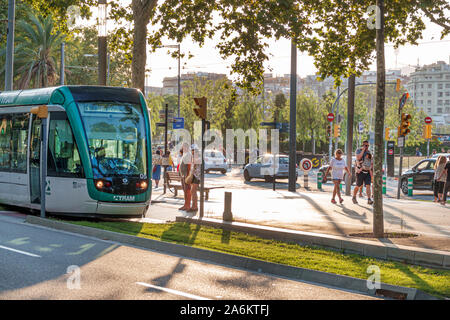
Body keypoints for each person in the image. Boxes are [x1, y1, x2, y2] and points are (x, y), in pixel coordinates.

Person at [353, 140, 373, 205]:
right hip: (360, 172)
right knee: (358, 186)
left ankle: (369, 199)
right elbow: (358, 157)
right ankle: (354, 196)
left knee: (368, 185)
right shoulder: (358, 150)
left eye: (367, 146)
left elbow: (369, 163)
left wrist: (371, 174)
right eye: (365, 145)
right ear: (363, 145)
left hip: (366, 171)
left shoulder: (369, 152)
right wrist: (363, 150)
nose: (367, 147)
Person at [187, 144, 201, 213]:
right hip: (193, 175)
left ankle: (195, 206)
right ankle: (194, 205)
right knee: (193, 191)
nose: (192, 152)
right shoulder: (193, 157)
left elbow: (195, 165)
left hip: (197, 176)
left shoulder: (198, 158)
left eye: (193, 150)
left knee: (193, 191)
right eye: (192, 150)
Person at [178, 143, 192, 211]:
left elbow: (189, 166)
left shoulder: (188, 155)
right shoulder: (184, 155)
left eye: (184, 147)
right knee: (185, 190)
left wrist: (188, 176)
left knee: (187, 191)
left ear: (187, 147)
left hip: (186, 175)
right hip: (183, 175)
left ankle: (188, 205)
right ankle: (185, 204)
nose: (183, 148)